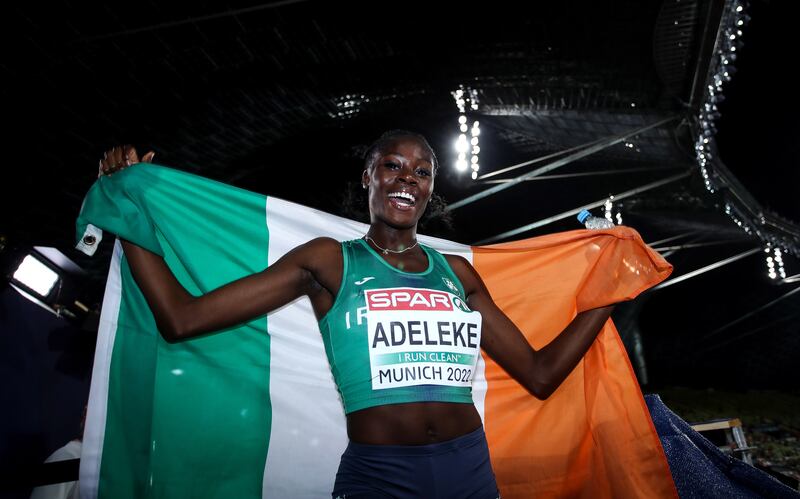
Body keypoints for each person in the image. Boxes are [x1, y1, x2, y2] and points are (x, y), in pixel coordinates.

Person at [97, 130, 616, 498]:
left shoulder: (457, 273)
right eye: (393, 165)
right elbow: (181, 319)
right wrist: (128, 213)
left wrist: (610, 293)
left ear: (431, 188)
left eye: (422, 172)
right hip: (381, 477)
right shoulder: (328, 260)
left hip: (471, 474)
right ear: (369, 174)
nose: (407, 179)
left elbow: (541, 375)